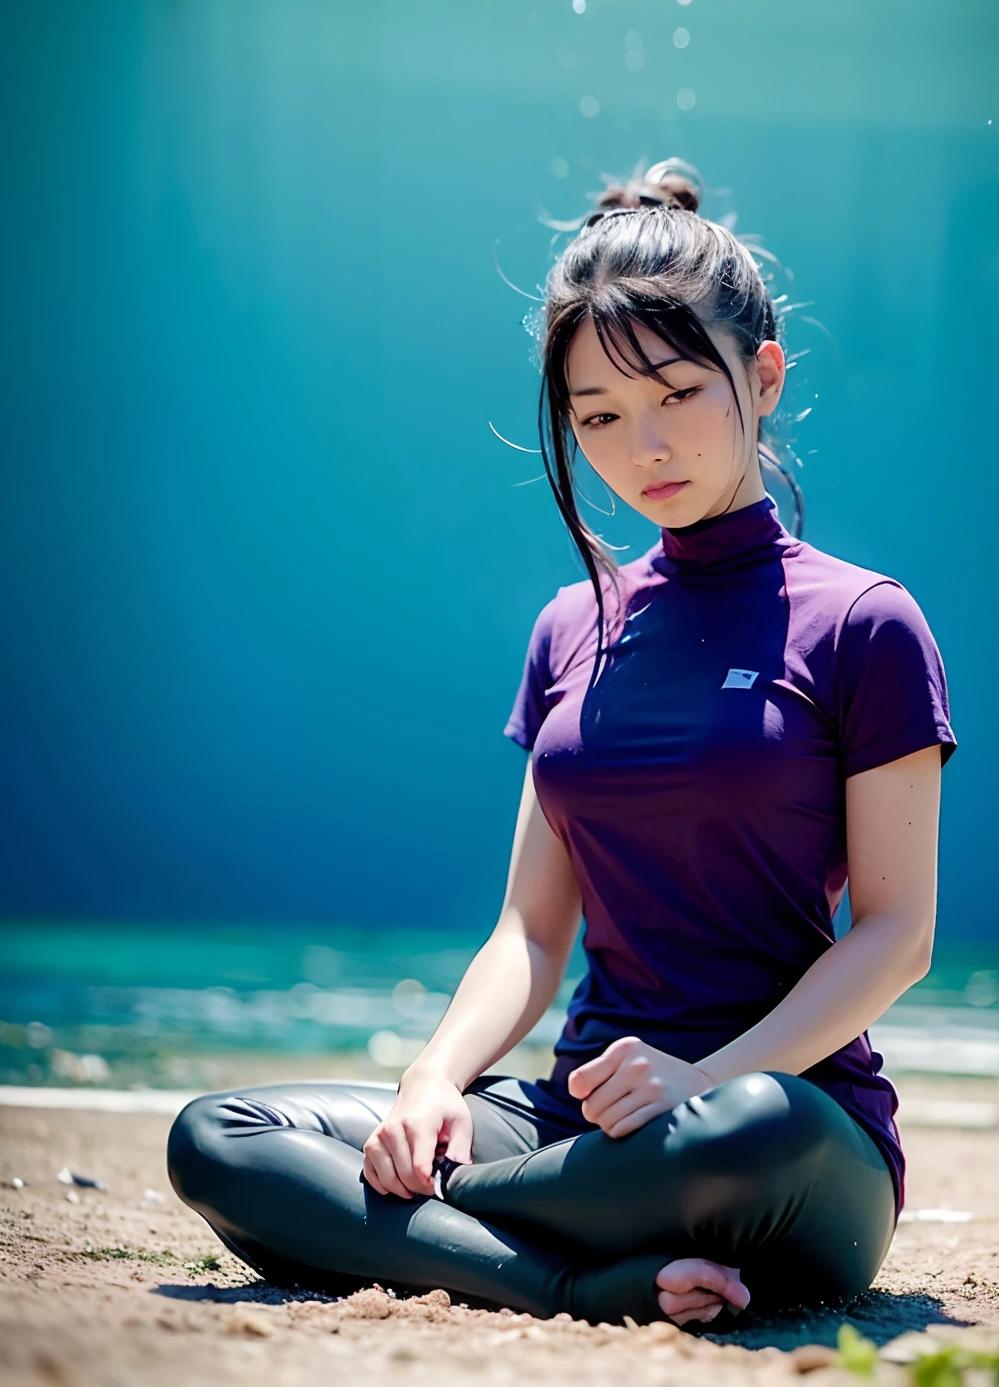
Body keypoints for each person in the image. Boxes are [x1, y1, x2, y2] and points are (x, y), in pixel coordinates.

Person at [168, 158, 954, 1329]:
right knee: (222, 1137)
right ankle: (572, 1280)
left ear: (765, 373)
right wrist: (432, 1079)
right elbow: (529, 933)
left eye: (679, 392)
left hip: (777, 1124)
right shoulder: (569, 625)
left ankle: (440, 1215)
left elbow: (895, 935)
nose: (645, 445)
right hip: (577, 1122)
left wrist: (706, 1074)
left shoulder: (862, 620)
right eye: (597, 415)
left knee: (733, 1139)